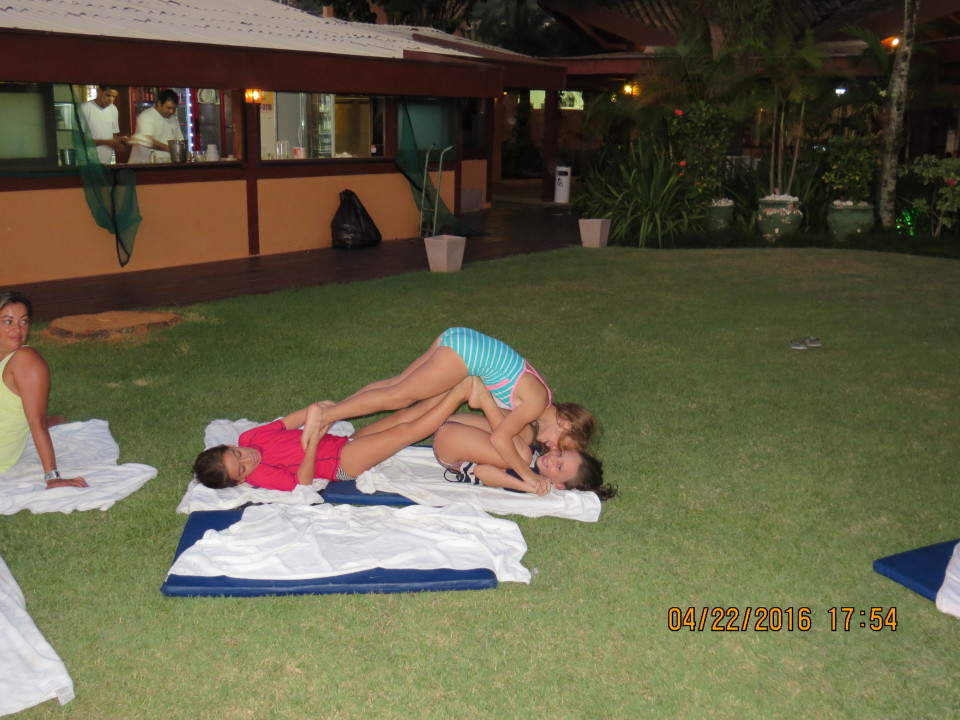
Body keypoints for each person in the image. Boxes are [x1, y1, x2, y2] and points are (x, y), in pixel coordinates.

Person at [307, 327, 596, 492]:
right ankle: (324, 416)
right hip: (467, 356)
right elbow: (499, 438)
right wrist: (529, 476)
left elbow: (500, 426)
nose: (551, 448)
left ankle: (334, 413)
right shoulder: (536, 404)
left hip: (463, 340)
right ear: (565, 424)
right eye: (560, 445)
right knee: (398, 396)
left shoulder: (538, 403)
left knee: (396, 387)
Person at [193, 378, 475, 491]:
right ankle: (460, 393)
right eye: (242, 469)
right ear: (241, 479)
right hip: (342, 463)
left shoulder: (250, 439)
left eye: (238, 455)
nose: (248, 459)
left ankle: (449, 388)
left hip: (341, 443)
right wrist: (314, 442)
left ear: (231, 445)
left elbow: (287, 423)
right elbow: (302, 482)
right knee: (403, 432)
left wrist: (316, 411)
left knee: (399, 417)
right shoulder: (260, 475)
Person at [0, 291, 86, 488]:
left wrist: (52, 477)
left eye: (23, 321)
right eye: (7, 322)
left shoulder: (26, 360)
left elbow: (36, 422)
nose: (17, 329)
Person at [127, 89, 183, 163]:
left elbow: (179, 141)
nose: (171, 111)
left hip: (165, 163)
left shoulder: (174, 120)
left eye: (174, 108)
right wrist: (169, 148)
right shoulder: (147, 116)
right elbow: (147, 141)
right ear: (159, 103)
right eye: (168, 108)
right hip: (144, 164)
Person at [80, 85, 125, 163]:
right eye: (108, 95)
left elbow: (113, 135)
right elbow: (79, 139)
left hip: (107, 160)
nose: (111, 99)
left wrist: (118, 143)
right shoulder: (85, 108)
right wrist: (107, 142)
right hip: (89, 161)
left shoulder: (113, 109)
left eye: (114, 97)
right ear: (99, 91)